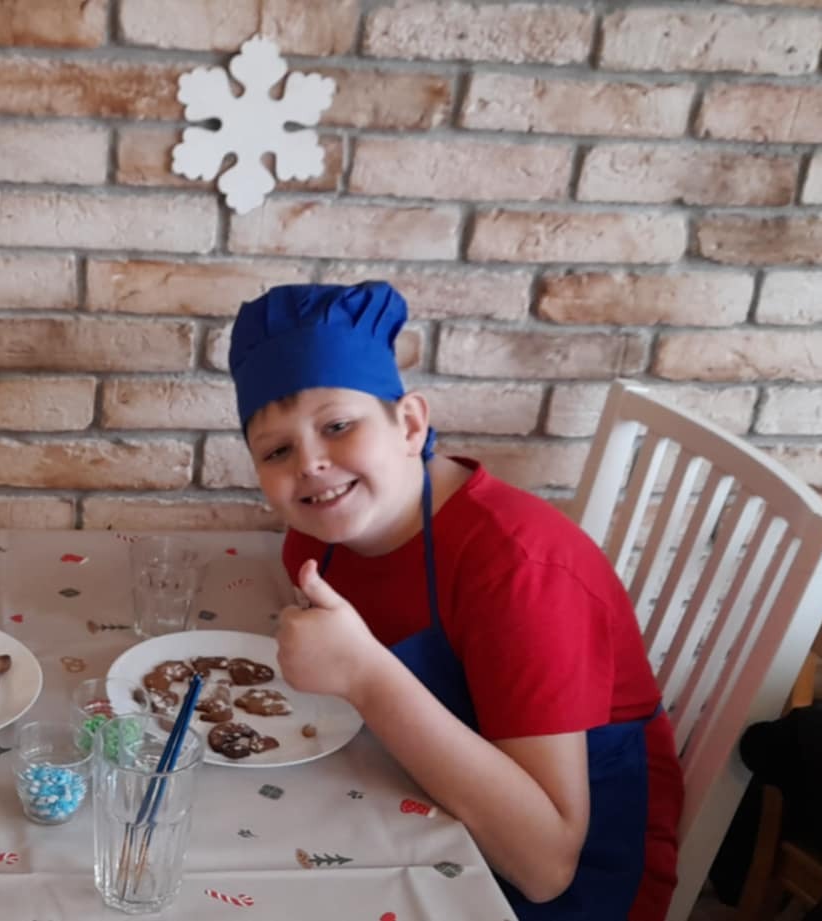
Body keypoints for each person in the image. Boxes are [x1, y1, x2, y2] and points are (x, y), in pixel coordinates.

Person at [227, 281, 683, 921]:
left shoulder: (519, 570)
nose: (310, 464)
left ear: (410, 424)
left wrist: (365, 676)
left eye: (338, 426)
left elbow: (547, 866)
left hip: (568, 877)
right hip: (422, 792)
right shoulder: (320, 535)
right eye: (278, 451)